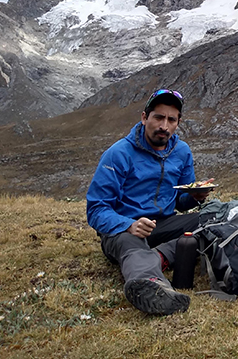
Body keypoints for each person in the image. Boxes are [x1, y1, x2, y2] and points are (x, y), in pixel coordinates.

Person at [86, 88, 212, 315]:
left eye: (171, 119)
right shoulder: (118, 153)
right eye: (158, 117)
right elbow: (96, 209)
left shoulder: (181, 151)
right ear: (145, 117)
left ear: (178, 123)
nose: (164, 125)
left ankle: (158, 256)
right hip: (122, 230)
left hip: (163, 224)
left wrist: (195, 196)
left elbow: (180, 201)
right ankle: (153, 284)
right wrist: (128, 224)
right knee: (131, 244)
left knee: (211, 221)